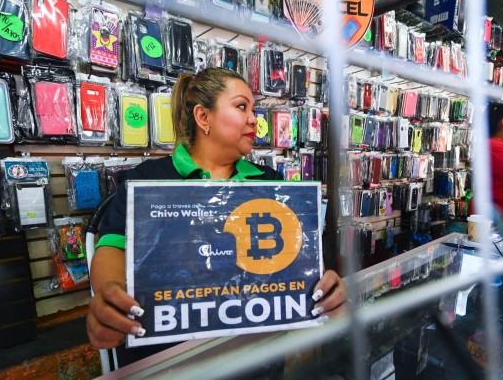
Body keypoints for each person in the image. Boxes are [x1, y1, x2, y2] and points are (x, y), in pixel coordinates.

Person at [86, 68, 346, 364]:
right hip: (171, 362)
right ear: (203, 117)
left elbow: (301, 264)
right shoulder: (145, 181)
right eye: (241, 106)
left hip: (256, 359)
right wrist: (109, 296)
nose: (254, 119)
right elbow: (111, 248)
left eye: (254, 109)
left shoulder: (272, 182)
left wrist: (326, 290)